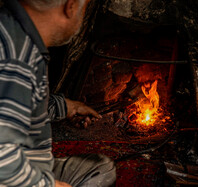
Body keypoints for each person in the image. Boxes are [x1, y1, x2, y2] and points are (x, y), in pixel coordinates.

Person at [0, 0, 116, 186]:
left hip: (27, 163)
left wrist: (64, 106)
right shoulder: (16, 58)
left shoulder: (11, 32)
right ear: (70, 6)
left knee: (101, 167)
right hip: (14, 173)